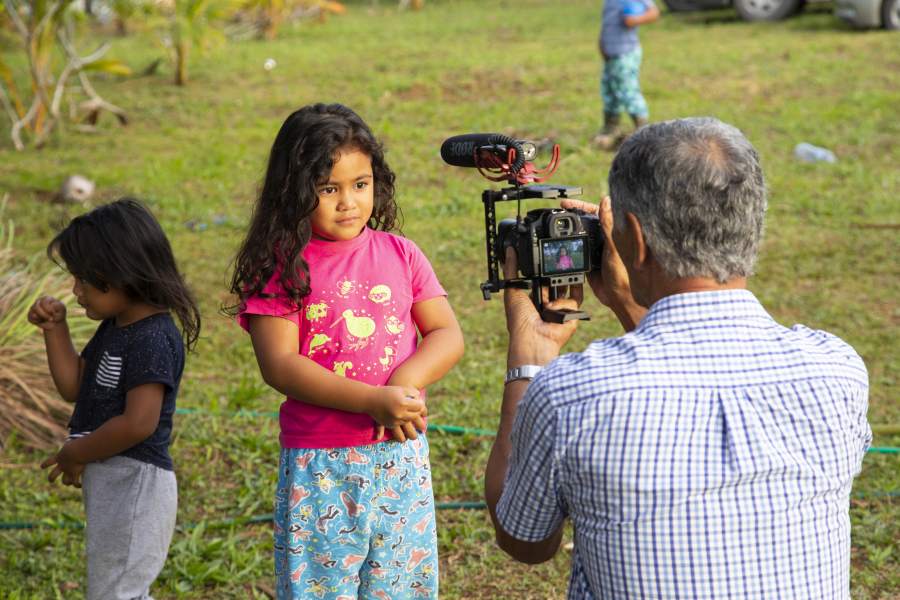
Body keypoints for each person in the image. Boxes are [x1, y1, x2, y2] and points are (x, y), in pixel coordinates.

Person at [485, 117, 871, 599]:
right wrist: (631, 306)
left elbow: (524, 539)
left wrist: (528, 357)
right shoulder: (838, 370)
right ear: (752, 225)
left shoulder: (572, 394)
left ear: (634, 239)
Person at [229, 103, 464, 599]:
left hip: (401, 457)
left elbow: (446, 333)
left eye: (360, 184)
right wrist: (370, 401)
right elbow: (280, 365)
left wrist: (402, 384)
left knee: (399, 586)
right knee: (321, 589)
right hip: (321, 465)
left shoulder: (401, 254)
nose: (348, 203)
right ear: (294, 192)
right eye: (328, 189)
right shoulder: (283, 266)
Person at [29, 198, 200, 600]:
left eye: (82, 279)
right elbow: (76, 388)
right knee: (116, 587)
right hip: (114, 477)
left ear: (119, 275)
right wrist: (55, 330)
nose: (76, 290)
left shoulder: (153, 337)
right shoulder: (116, 326)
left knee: (116, 591)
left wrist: (77, 452)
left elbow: (139, 423)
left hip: (136, 482)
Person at [593, 0, 660, 150]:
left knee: (628, 90)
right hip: (610, 54)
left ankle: (643, 131)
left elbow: (654, 12)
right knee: (609, 90)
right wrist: (601, 42)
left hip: (626, 53)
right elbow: (607, 22)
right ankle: (610, 128)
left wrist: (635, 19)